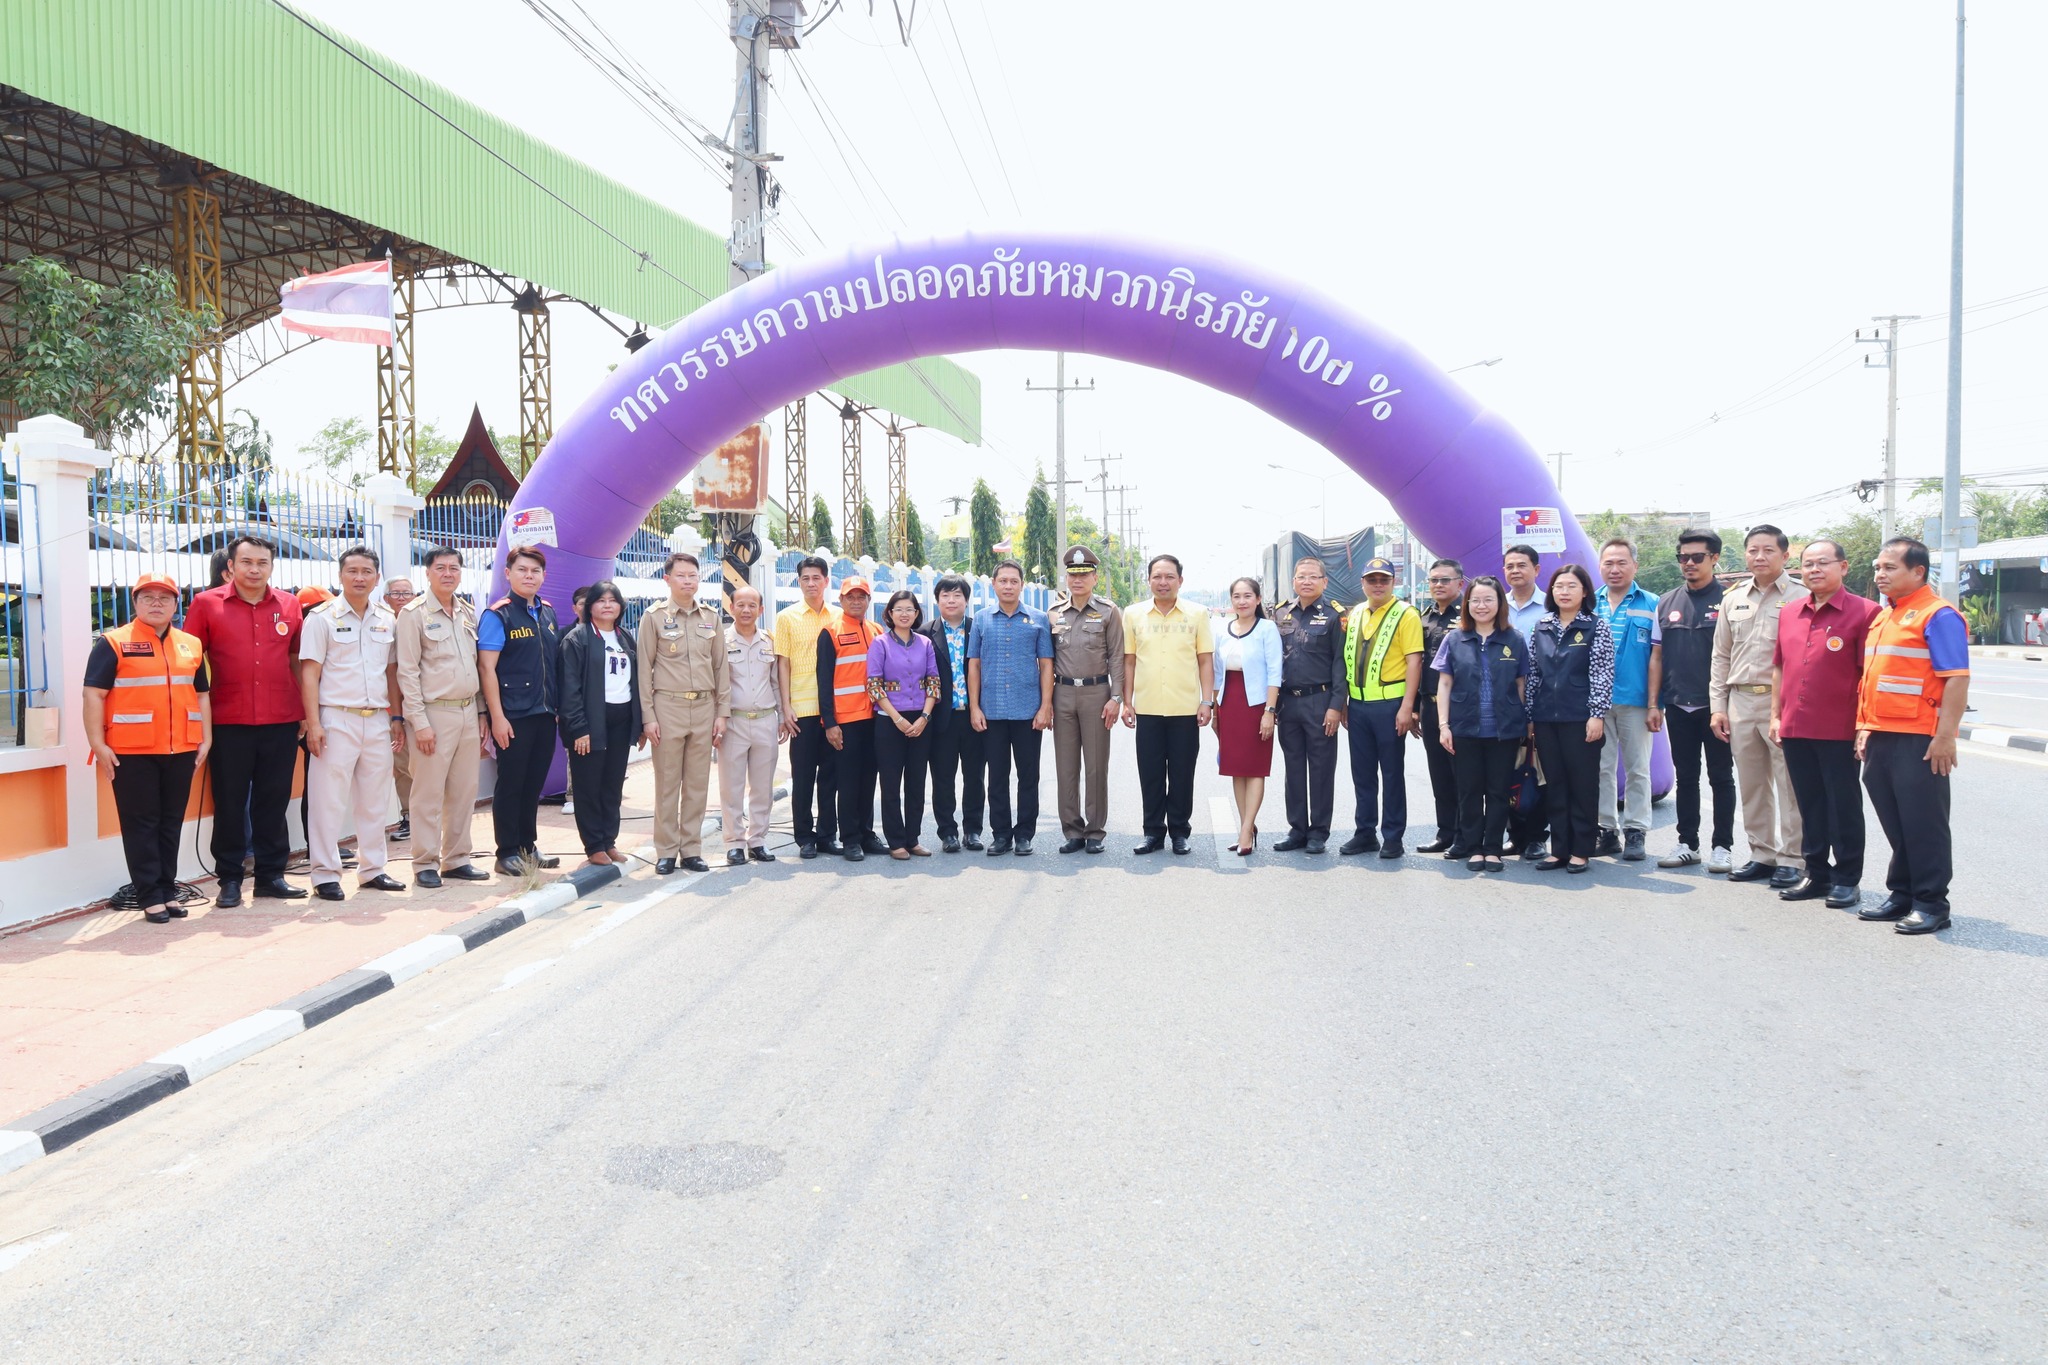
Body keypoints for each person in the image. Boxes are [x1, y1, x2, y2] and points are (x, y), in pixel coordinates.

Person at [182, 534, 307, 907]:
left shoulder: (289, 605)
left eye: (262, 563)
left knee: (273, 801)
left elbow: (297, 662)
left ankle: (271, 875)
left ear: (271, 566)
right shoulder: (206, 604)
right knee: (231, 802)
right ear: (231, 567)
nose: (255, 570)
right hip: (227, 720)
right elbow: (189, 662)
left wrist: (303, 711)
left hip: (280, 719)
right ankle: (230, 878)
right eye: (247, 562)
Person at [1855, 537, 1970, 935]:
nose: (1879, 575)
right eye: (1877, 568)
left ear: (1918, 572)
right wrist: (1864, 727)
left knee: (1924, 823)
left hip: (1920, 738)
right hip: (1881, 734)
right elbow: (1873, 681)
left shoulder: (1938, 615)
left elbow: (1956, 679)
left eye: (1889, 568)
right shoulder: (1885, 616)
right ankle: (1902, 894)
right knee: (1896, 821)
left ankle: (1932, 902)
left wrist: (1945, 737)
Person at [83, 573, 212, 923]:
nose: (157, 603)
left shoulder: (191, 644)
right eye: (148, 597)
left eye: (165, 598)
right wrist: (98, 743)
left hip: (181, 748)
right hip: (131, 750)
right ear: (136, 603)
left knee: (171, 822)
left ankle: (167, 890)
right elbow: (94, 694)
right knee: (141, 823)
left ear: (175, 605)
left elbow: (201, 694)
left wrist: (207, 736)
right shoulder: (112, 643)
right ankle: (149, 895)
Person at [1771, 538, 1880, 909]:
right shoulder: (1790, 612)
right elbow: (1780, 668)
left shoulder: (1866, 613)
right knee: (1809, 803)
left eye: (1823, 563)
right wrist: (1775, 715)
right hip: (1795, 725)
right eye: (1808, 564)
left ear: (1843, 567)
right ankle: (1816, 872)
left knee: (1843, 805)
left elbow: (1870, 676)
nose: (1814, 570)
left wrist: (1864, 725)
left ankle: (1848, 878)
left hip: (1839, 728)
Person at [297, 544, 407, 901]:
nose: (359, 578)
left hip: (376, 719)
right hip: (336, 718)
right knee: (327, 800)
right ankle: (324, 873)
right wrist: (313, 724)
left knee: (375, 800)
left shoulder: (386, 618)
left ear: (377, 579)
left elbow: (391, 672)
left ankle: (373, 869)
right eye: (352, 571)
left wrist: (395, 716)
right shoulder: (322, 618)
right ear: (340, 575)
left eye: (367, 572)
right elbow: (309, 674)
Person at [1712, 525, 1808, 890]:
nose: (1759, 557)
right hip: (1739, 700)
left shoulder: (1800, 596)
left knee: (1789, 783)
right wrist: (1717, 706)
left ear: (1785, 556)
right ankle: (1762, 853)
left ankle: (1792, 857)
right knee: (1752, 784)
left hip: (1781, 700)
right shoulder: (1733, 598)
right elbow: (1720, 656)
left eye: (1768, 550)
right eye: (1753, 550)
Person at [395, 545, 488, 889]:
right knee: (428, 794)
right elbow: (407, 673)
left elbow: (474, 666)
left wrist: (480, 711)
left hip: (466, 712)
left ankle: (457, 858)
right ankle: (424, 863)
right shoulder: (413, 614)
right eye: (441, 568)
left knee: (465, 791)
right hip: (433, 715)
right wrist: (419, 723)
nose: (448, 573)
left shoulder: (466, 611)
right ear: (428, 573)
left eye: (454, 568)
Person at [638, 552, 730, 876]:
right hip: (668, 707)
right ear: (667, 579)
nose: (687, 581)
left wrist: (723, 713)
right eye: (681, 575)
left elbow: (721, 668)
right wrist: (648, 716)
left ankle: (691, 849)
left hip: (704, 708)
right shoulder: (653, 617)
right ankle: (665, 850)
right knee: (667, 783)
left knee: (697, 783)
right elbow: (644, 669)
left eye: (692, 575)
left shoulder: (711, 618)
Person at [1651, 530, 1735, 874]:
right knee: (1686, 777)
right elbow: (1656, 657)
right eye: (1683, 557)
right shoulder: (1666, 602)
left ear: (1714, 558)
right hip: (1677, 705)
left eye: (1696, 557)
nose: (1688, 563)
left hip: (1717, 708)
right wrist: (1654, 703)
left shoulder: (1730, 600)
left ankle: (1723, 847)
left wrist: (1725, 705)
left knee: (1721, 777)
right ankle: (1688, 843)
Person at [1432, 576, 1529, 872]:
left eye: (1488, 599)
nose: (1482, 605)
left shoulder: (1514, 639)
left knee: (1499, 792)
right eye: (1475, 600)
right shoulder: (1455, 638)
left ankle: (1493, 849)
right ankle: (1474, 847)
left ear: (1499, 603)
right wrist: (1444, 725)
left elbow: (1522, 684)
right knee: (1470, 791)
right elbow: (1445, 684)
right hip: (1464, 728)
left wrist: (1524, 723)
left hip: (1504, 731)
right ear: (1467, 604)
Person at [1121, 553, 1214, 855]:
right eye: (1157, 577)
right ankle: (1152, 832)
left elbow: (1205, 660)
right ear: (1148, 580)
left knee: (1182, 772)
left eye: (1169, 577)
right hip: (1147, 708)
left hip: (1185, 708)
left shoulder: (1197, 614)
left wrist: (1206, 701)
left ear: (1180, 581)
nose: (1163, 582)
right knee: (1149, 773)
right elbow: (1129, 661)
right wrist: (1127, 701)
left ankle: (1179, 831)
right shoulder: (1133, 614)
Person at [479, 545, 563, 875]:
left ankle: (528, 846)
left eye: (535, 571)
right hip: (512, 715)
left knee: (534, 784)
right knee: (511, 783)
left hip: (544, 713)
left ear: (543, 576)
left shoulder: (548, 613)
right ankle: (507, 851)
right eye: (522, 570)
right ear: (508, 574)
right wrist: (496, 717)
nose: (529, 576)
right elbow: (487, 670)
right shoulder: (497, 615)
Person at [1527, 564, 1615, 873]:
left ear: (1585, 591)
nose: (1564, 592)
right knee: (1555, 784)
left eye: (1571, 586)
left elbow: (1602, 674)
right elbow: (1534, 674)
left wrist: (1597, 715)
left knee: (1583, 784)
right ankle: (1559, 849)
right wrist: (1530, 715)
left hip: (1581, 718)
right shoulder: (1542, 626)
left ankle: (1581, 849)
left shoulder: (1595, 626)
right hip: (1546, 718)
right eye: (1559, 586)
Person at [1339, 556, 1424, 860]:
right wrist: (1347, 703)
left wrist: (1407, 708)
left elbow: (1414, 661)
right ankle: (1365, 833)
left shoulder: (1406, 614)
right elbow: (1350, 661)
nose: (1377, 585)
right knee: (1362, 774)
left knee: (1391, 773)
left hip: (1391, 706)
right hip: (1359, 706)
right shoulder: (1356, 613)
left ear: (1393, 583)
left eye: (1383, 580)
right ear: (1362, 583)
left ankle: (1392, 837)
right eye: (1372, 580)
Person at [969, 561, 1054, 856]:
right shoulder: (980, 620)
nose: (1008, 586)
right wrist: (974, 708)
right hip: (991, 712)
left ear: (1021, 585)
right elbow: (975, 665)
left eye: (1013, 581)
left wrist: (1045, 706)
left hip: (1028, 712)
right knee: (997, 776)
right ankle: (1001, 834)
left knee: (1028, 775)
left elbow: (1046, 666)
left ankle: (1024, 835)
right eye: (1002, 580)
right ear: (993, 584)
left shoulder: (1039, 619)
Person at [558, 581, 643, 867]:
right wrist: (578, 728)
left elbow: (638, 682)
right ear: (590, 606)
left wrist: (639, 724)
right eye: (601, 600)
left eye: (613, 600)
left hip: (621, 720)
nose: (608, 605)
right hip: (591, 721)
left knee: (612, 784)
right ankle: (593, 844)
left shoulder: (625, 638)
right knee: (588, 785)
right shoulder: (577, 639)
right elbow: (569, 689)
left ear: (620, 607)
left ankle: (609, 841)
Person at [1047, 545, 1125, 855]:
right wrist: (1046, 702)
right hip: (1062, 693)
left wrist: (1116, 696)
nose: (1077, 580)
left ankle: (1095, 831)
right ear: (1066, 578)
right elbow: (1046, 661)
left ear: (1094, 578)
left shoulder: (1108, 611)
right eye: (1072, 575)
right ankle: (1072, 831)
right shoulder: (1053, 613)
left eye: (1084, 575)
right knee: (1066, 768)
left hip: (1097, 694)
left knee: (1095, 767)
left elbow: (1117, 656)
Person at [1270, 557, 1346, 855]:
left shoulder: (1334, 616)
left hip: (1320, 701)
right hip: (1288, 703)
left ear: (1324, 582)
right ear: (1293, 581)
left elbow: (1341, 662)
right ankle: (1297, 829)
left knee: (1321, 768)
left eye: (1313, 577)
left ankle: (1318, 831)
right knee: (1293, 768)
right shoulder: (1280, 614)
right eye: (1301, 576)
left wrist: (1336, 706)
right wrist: (1272, 705)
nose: (1306, 582)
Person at [1593, 538, 1658, 861]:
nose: (1614, 569)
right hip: (1596, 704)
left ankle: (1636, 831)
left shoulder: (1652, 604)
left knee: (1637, 768)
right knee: (1601, 767)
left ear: (1635, 565)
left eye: (1621, 563)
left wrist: (1654, 704)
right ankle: (1605, 830)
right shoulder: (1590, 603)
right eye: (1608, 563)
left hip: (1635, 700)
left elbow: (1659, 658)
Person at [776, 555, 841, 858]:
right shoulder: (787, 617)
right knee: (803, 776)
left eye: (817, 578)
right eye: (806, 578)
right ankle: (804, 836)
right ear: (799, 581)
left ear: (826, 581)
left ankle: (828, 834)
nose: (811, 583)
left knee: (831, 775)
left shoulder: (838, 618)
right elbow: (783, 664)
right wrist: (785, 706)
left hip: (834, 712)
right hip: (801, 710)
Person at [1212, 576, 1282, 855]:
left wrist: (1269, 711)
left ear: (1257, 600)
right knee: (1236, 769)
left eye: (1247, 596)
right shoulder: (1222, 630)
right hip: (1229, 704)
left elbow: (1276, 673)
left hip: (1257, 705)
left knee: (1254, 769)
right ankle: (1246, 825)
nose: (1242, 601)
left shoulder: (1267, 629)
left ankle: (1246, 830)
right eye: (1237, 596)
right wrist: (1215, 708)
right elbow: (1217, 673)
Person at [869, 589, 940, 860]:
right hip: (889, 722)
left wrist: (924, 717)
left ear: (916, 613)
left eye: (909, 609)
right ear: (889, 613)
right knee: (890, 783)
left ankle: (913, 838)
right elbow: (874, 685)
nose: (904, 614)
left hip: (921, 721)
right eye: (898, 609)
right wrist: (898, 719)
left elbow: (933, 681)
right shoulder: (880, 644)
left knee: (916, 783)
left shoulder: (925, 643)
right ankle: (895, 841)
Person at [819, 577, 885, 861]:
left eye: (862, 596)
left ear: (869, 600)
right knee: (847, 782)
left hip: (875, 717)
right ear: (841, 600)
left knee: (869, 779)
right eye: (850, 596)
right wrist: (830, 722)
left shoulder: (877, 630)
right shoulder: (831, 631)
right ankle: (849, 839)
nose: (856, 601)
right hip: (845, 721)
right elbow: (823, 680)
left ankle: (866, 833)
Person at [920, 575, 985, 853]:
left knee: (975, 777)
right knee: (943, 778)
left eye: (957, 595)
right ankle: (947, 831)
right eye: (945, 595)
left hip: (973, 715)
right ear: (937, 600)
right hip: (941, 717)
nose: (951, 600)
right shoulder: (924, 633)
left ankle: (973, 830)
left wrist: (978, 707)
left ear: (966, 601)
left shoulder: (978, 629)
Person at [718, 586, 782, 867]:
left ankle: (758, 840)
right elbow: (715, 685)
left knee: (762, 786)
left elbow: (776, 682)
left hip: (766, 719)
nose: (746, 610)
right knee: (731, 786)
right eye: (740, 605)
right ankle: (734, 843)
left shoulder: (770, 641)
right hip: (734, 721)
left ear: (761, 610)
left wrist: (781, 717)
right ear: (731, 608)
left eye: (752, 605)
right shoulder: (719, 641)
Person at [1500, 543, 1550, 862]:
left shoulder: (1550, 606)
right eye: (1509, 566)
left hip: (1542, 700)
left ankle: (1536, 837)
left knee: (1536, 770)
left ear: (1536, 569)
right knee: (1506, 768)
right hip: (1502, 702)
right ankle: (1514, 835)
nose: (1515, 571)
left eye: (1522, 565)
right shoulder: (1496, 605)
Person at [1414, 557, 1466, 854]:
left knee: (1462, 773)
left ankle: (1465, 833)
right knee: (1439, 773)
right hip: (1430, 705)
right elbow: (1420, 665)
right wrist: (1416, 708)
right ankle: (1445, 831)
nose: (1438, 585)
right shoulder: (1425, 616)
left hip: (1459, 706)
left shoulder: (1467, 616)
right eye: (1433, 580)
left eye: (1445, 580)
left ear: (1460, 583)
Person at [381, 575, 417, 843]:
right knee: (401, 765)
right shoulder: (383, 626)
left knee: (419, 765)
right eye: (397, 594)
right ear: (386, 599)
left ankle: (424, 816)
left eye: (407, 593)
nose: (403, 598)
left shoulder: (420, 621)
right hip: (389, 707)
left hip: (419, 706)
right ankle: (409, 816)